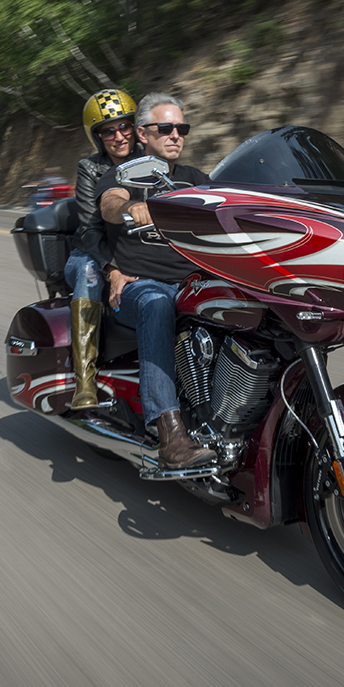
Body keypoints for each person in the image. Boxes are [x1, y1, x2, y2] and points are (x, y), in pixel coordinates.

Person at [97, 93, 215, 468]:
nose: (176, 135)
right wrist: (132, 207)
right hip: (140, 286)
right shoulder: (126, 174)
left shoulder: (195, 178)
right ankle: (170, 436)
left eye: (182, 128)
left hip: (192, 283)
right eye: (166, 128)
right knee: (157, 303)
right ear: (143, 134)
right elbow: (110, 203)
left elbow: (226, 205)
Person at [65, 89, 140, 409]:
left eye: (125, 126)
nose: (119, 136)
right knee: (88, 273)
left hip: (134, 248)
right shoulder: (89, 168)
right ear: (97, 137)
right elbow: (89, 228)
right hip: (92, 253)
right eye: (108, 130)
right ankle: (85, 382)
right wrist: (112, 268)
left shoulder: (149, 161)